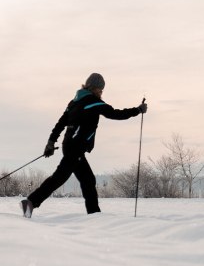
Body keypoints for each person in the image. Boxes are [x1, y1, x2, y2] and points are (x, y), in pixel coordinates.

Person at [21, 73, 146, 217]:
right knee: (60, 178)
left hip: (70, 145)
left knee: (87, 180)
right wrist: (138, 110)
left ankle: (94, 214)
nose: (101, 92)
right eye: (100, 89)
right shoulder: (93, 102)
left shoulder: (74, 102)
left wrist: (51, 142)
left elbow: (60, 123)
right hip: (76, 147)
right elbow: (116, 114)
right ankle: (31, 202)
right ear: (95, 88)